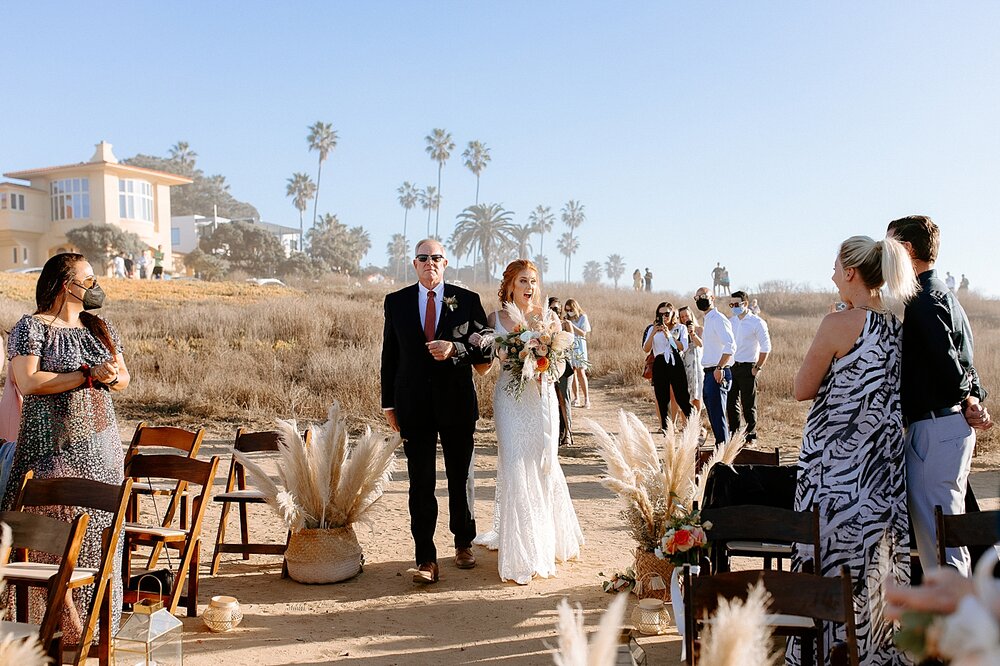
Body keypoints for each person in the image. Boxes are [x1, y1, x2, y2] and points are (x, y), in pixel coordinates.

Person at [789, 235, 917, 665]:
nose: (830, 275)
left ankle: (823, 654)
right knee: (875, 570)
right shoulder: (896, 328)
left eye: (834, 267)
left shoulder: (837, 325)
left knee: (828, 567)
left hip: (834, 473)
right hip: (881, 473)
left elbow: (801, 389)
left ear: (850, 273)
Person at [2, 252, 131, 644]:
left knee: (97, 536)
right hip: (48, 447)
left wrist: (108, 376)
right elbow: (29, 382)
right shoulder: (31, 327)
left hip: (101, 446)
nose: (95, 287)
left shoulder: (100, 326)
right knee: (49, 537)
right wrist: (84, 375)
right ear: (64, 284)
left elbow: (123, 378)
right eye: (88, 280)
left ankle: (91, 631)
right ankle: (58, 630)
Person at [380, 238, 492, 584]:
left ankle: (463, 543)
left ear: (446, 263)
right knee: (421, 483)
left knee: (461, 478)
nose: (430, 263)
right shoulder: (396, 302)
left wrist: (454, 348)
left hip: (457, 403)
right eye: (423, 258)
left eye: (436, 258)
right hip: (413, 405)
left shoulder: (468, 299)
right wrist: (389, 403)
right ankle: (426, 557)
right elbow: (390, 354)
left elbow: (484, 349)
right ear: (414, 264)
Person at [887, 215, 991, 576]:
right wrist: (974, 395)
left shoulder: (921, 299)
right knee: (945, 534)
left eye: (890, 247)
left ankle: (956, 627)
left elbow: (948, 359)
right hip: (948, 426)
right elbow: (965, 358)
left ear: (907, 250)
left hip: (935, 427)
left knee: (939, 541)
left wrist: (968, 397)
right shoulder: (945, 296)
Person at [473, 260, 584, 584]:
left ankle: (545, 541)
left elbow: (563, 368)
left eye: (533, 281)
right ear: (509, 284)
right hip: (509, 398)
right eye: (523, 280)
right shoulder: (495, 319)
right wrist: (502, 354)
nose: (529, 287)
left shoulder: (549, 319)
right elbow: (484, 365)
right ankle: (523, 551)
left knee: (540, 464)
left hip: (540, 398)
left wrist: (543, 365)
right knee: (515, 465)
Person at [726, 290, 771, 442]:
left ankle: (751, 436)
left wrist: (757, 367)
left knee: (748, 404)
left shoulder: (757, 322)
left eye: (736, 304)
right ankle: (734, 435)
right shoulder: (731, 322)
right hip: (731, 366)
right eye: (731, 304)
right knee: (731, 403)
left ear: (745, 304)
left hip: (748, 367)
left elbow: (766, 347)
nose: (733, 307)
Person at [694, 287, 735, 445]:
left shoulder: (718, 318)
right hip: (709, 373)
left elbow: (730, 345)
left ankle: (723, 451)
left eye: (704, 296)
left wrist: (720, 368)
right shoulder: (708, 319)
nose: (700, 299)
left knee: (718, 416)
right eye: (697, 298)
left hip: (718, 372)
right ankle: (721, 446)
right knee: (713, 414)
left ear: (713, 297)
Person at [642, 302, 692, 429]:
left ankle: (694, 425)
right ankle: (666, 429)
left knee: (681, 397)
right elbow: (646, 348)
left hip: (675, 361)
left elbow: (682, 347)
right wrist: (654, 332)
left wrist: (668, 335)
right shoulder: (651, 328)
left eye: (667, 313)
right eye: (660, 314)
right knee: (661, 398)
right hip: (659, 362)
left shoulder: (680, 328)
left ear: (672, 313)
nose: (664, 316)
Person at [547, 297, 575, 446]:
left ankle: (568, 433)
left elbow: (571, 345)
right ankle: (556, 434)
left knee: (564, 400)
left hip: (564, 366)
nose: (555, 311)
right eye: (552, 309)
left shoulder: (566, 324)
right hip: (548, 366)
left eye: (557, 309)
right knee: (552, 401)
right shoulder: (544, 325)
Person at [563, 298, 591, 408]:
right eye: (567, 310)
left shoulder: (583, 317)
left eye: (570, 309)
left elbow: (583, 333)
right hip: (570, 347)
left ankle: (587, 399)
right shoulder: (567, 318)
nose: (569, 311)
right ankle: (576, 398)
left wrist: (572, 326)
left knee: (581, 372)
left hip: (580, 347)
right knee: (572, 372)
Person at [677, 306, 704, 412]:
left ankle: (697, 423)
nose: (684, 318)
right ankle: (685, 425)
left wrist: (692, 333)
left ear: (691, 315)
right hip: (684, 364)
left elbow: (700, 344)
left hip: (697, 365)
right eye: (682, 316)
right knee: (685, 395)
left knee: (697, 394)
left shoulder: (699, 329)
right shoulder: (679, 331)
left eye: (686, 315)